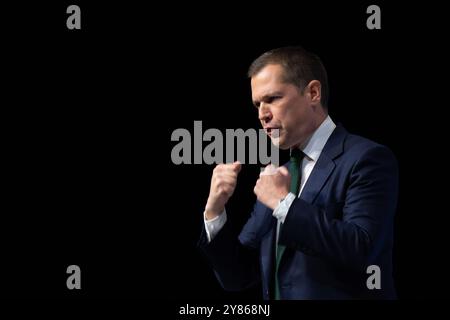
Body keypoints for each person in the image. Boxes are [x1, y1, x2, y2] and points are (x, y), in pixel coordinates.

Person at [198, 46, 398, 299]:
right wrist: (215, 212)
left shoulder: (366, 159)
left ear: (313, 93)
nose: (262, 114)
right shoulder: (279, 177)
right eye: (257, 104)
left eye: (272, 98)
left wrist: (284, 204)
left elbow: (363, 251)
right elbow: (238, 276)